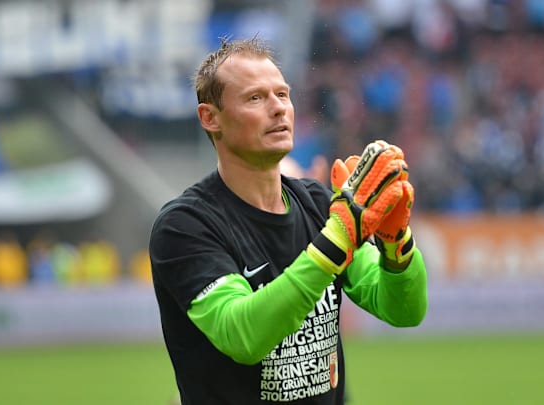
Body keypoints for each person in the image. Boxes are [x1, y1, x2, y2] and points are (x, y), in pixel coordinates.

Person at [149, 36, 428, 404]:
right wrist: (337, 239)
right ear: (210, 117)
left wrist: (396, 245)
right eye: (255, 98)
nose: (278, 108)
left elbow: (404, 311)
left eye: (282, 94)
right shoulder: (185, 226)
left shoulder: (316, 204)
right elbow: (242, 334)